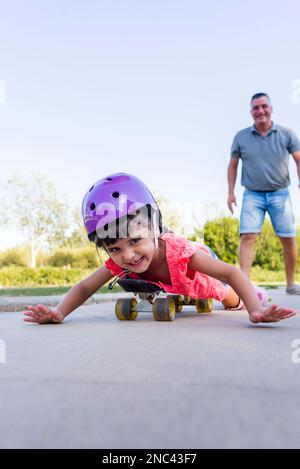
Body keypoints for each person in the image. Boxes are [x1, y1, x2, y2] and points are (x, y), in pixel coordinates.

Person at [24, 173, 296, 325]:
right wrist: (58, 313)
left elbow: (231, 273)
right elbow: (85, 287)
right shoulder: (121, 261)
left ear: (155, 228)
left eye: (134, 241)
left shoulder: (183, 256)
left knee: (228, 299)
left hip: (202, 271)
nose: (128, 256)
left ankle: (258, 295)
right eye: (115, 249)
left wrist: (254, 311)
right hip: (175, 282)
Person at [228, 92, 300, 294]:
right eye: (256, 108)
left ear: (270, 108)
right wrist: (230, 193)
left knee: (288, 237)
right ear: (251, 112)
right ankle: (245, 286)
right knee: (247, 236)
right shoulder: (241, 137)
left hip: (280, 193)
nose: (260, 111)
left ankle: (290, 283)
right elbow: (232, 166)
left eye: (263, 106)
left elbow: (298, 158)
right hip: (252, 194)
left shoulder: (287, 134)